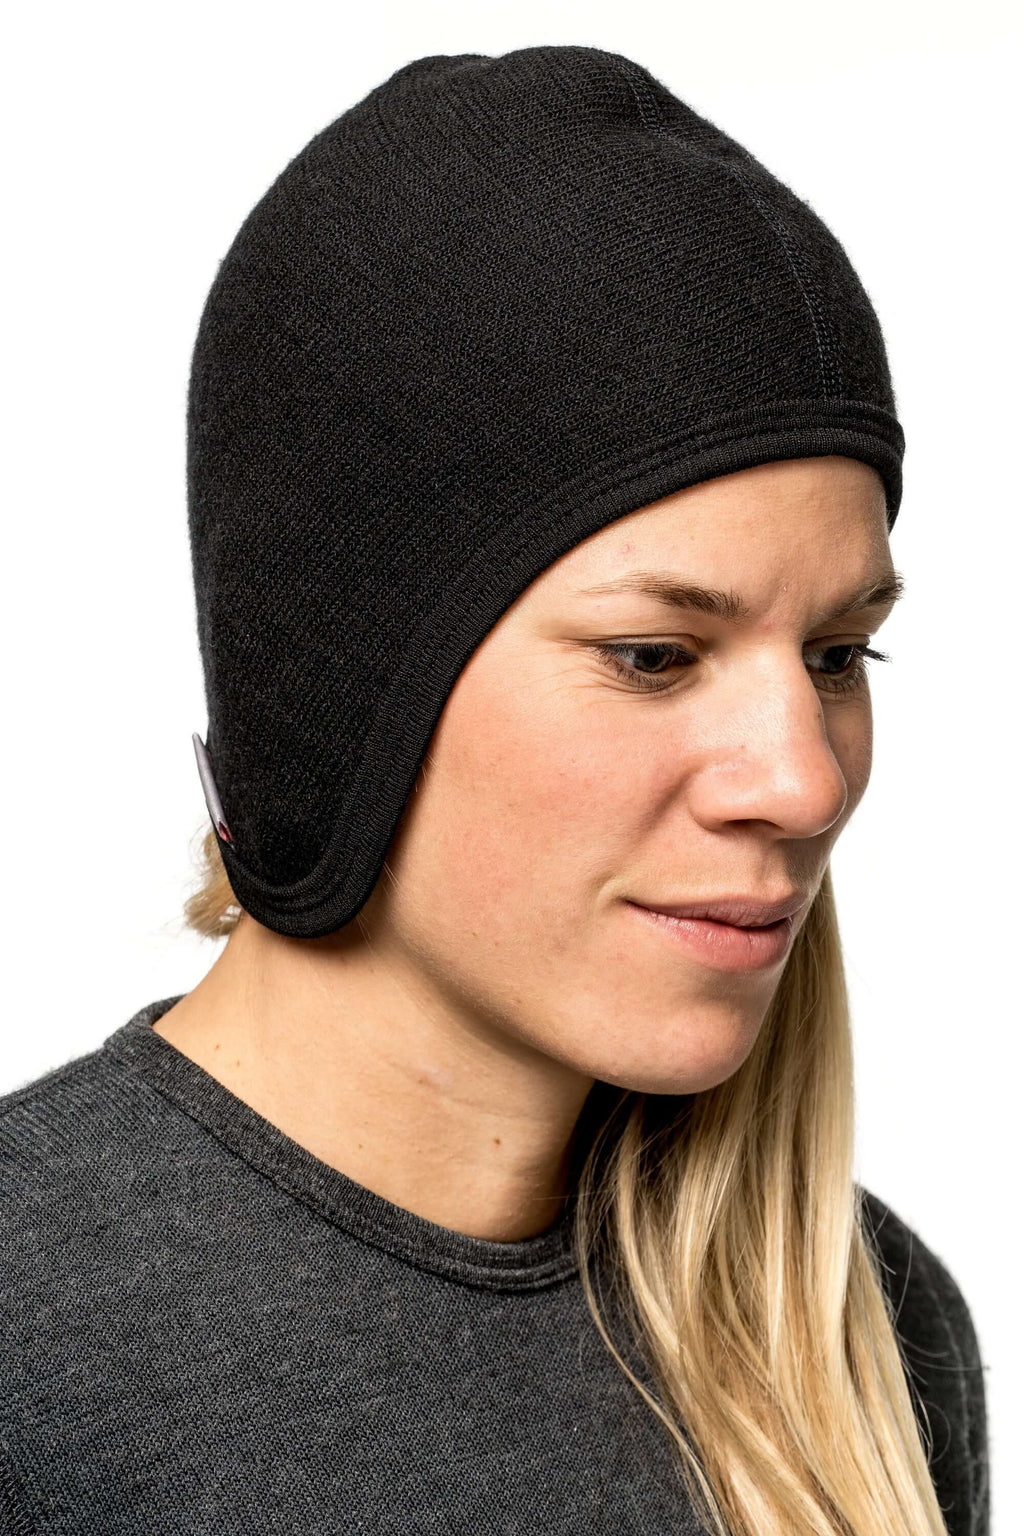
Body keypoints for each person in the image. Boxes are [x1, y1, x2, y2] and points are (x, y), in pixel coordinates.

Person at [0, 44, 988, 1536]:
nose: (802, 783)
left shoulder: (869, 1333)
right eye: (656, 656)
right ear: (339, 689)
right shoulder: (31, 1348)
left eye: (840, 654)